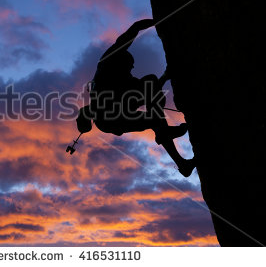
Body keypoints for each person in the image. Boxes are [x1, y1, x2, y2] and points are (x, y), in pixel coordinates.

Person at [76, 19, 196, 177]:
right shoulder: (107, 68)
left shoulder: (122, 77)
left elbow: (150, 90)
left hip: (116, 115)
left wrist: (166, 77)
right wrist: (162, 19)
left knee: (154, 108)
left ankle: (181, 162)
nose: (131, 71)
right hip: (111, 120)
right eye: (129, 68)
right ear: (121, 65)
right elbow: (135, 28)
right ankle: (164, 133)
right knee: (154, 109)